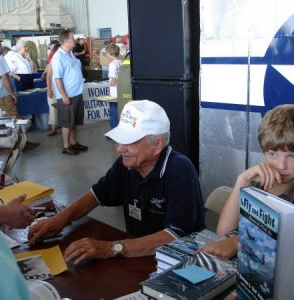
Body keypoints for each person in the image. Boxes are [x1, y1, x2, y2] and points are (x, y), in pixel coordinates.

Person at [28, 100, 205, 264]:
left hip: (178, 261)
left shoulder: (180, 171)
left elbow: (175, 236)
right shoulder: (126, 165)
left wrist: (112, 248)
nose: (120, 149)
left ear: (157, 144)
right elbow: (95, 195)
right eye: (120, 140)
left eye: (130, 141)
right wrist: (60, 220)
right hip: (138, 255)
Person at [199, 104, 294, 259]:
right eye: (273, 154)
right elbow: (223, 232)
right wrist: (241, 181)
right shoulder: (257, 182)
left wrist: (238, 240)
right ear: (263, 152)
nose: (282, 166)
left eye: (292, 156)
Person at [0, 37, 40, 151]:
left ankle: (3, 144)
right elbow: (5, 77)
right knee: (13, 119)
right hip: (2, 95)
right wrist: (12, 94)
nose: (0, 46)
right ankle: (22, 143)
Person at [51, 30, 88, 155]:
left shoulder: (70, 53)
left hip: (76, 93)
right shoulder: (58, 57)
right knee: (67, 122)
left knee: (74, 121)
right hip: (67, 96)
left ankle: (73, 143)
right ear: (66, 41)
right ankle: (66, 146)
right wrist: (64, 95)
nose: (75, 40)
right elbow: (58, 78)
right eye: (73, 38)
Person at [46, 42, 60, 136]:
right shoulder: (53, 60)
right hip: (54, 87)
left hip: (61, 87)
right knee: (53, 107)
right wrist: (49, 89)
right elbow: (49, 75)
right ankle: (54, 128)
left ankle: (60, 125)